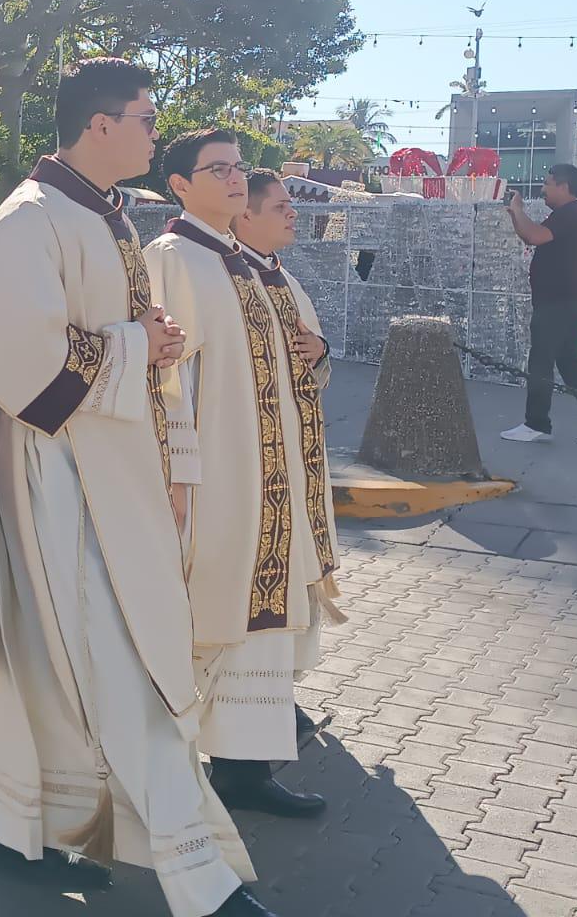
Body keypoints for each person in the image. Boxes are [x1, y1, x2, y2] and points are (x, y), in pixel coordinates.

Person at [0, 59, 269, 917]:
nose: (157, 131)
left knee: (56, 665)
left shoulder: (106, 214)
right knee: (121, 662)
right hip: (60, 476)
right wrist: (133, 344)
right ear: (99, 125)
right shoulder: (32, 215)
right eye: (146, 116)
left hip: (111, 469)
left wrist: (144, 342)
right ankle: (200, 875)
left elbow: (104, 333)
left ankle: (13, 834)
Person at [145, 131, 338, 824]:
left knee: (255, 635)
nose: (233, 179)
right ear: (179, 185)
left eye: (236, 168)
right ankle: (190, 774)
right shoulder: (171, 257)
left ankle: (244, 769)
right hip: (216, 484)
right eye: (217, 169)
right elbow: (160, 376)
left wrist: (317, 352)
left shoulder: (245, 265)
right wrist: (177, 474)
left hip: (266, 482)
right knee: (211, 624)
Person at [233, 169, 345, 738]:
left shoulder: (284, 278)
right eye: (280, 206)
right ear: (245, 214)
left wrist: (319, 348)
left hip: (297, 459)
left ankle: (279, 691)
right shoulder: (230, 278)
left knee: (296, 573)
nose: (292, 213)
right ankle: (254, 706)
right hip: (253, 464)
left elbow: (315, 361)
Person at [501, 164, 577, 444]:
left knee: (540, 360)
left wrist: (518, 209)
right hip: (568, 300)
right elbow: (530, 235)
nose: (542, 189)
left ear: (563, 186)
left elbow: (534, 236)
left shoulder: (570, 213)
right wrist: (515, 213)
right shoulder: (570, 214)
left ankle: (536, 423)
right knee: (569, 362)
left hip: (558, 302)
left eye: (547, 183)